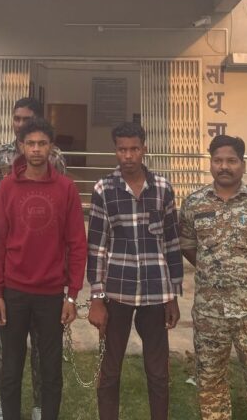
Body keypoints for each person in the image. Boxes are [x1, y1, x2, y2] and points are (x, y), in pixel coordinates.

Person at [179, 134, 247, 420]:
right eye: (218, 160)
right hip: (209, 313)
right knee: (210, 380)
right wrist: (211, 269)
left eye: (231, 160)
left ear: (243, 164)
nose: (224, 166)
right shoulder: (194, 203)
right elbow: (187, 246)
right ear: (211, 163)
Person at [0, 117, 86, 420]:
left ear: (51, 147)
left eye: (42, 143)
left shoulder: (66, 188)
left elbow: (77, 244)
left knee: (51, 370)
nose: (36, 149)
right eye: (30, 143)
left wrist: (72, 295)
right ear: (21, 146)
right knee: (11, 368)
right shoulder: (7, 187)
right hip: (14, 292)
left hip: (51, 294)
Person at [86, 122, 183, 420]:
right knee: (110, 370)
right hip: (117, 292)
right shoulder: (104, 189)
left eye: (134, 149)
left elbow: (172, 243)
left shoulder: (163, 188)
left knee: (158, 372)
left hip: (156, 293)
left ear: (144, 149)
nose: (128, 156)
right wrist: (97, 298)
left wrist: (173, 295)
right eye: (122, 149)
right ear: (115, 151)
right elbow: (97, 246)